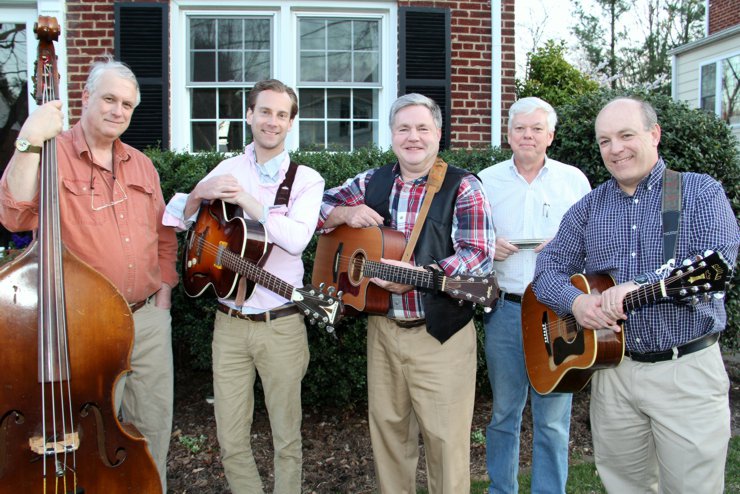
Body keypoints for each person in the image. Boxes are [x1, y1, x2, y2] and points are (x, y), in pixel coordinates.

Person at [532, 96, 740, 493]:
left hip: (686, 371)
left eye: (626, 135)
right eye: (605, 140)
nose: (616, 148)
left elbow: (716, 261)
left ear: (654, 134)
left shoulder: (698, 192)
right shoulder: (588, 208)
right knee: (625, 486)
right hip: (614, 371)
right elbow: (547, 270)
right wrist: (576, 303)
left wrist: (640, 284)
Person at [0, 59, 178, 492]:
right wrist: (28, 140)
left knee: (153, 426)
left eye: (128, 105)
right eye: (110, 100)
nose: (119, 111)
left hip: (147, 319)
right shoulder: (51, 153)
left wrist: (165, 294)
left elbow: (163, 233)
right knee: (91, 433)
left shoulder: (141, 165)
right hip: (87, 325)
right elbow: (13, 213)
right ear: (85, 98)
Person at [318, 93, 495, 494]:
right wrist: (345, 214)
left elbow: (479, 257)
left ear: (438, 133)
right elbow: (314, 208)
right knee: (389, 441)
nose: (412, 137)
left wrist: (419, 275)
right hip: (383, 331)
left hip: (439, 336)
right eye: (403, 129)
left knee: (445, 447)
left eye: (422, 128)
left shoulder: (464, 187)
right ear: (392, 134)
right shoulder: (371, 181)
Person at [164, 79, 324, 494]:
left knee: (286, 437)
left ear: (292, 123)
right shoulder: (228, 167)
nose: (272, 121)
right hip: (229, 324)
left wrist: (252, 204)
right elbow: (181, 222)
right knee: (231, 436)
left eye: (282, 115)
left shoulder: (306, 179)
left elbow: (296, 239)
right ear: (249, 115)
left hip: (282, 325)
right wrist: (199, 193)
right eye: (265, 112)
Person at [478, 97, 590, 493]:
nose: (528, 135)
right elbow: (469, 241)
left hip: (559, 311)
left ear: (551, 136)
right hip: (505, 311)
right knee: (504, 413)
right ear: (508, 134)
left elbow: (591, 245)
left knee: (554, 418)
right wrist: (488, 246)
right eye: (520, 128)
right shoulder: (485, 181)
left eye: (536, 129)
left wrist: (565, 245)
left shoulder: (574, 181)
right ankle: (501, 490)